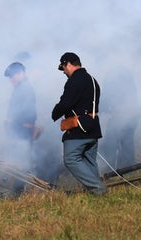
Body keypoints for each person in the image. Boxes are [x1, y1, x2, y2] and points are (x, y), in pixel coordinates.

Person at [51, 52, 107, 195]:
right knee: (89, 162)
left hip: (79, 128)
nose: (63, 71)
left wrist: (53, 114)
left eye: (63, 67)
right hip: (93, 127)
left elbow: (65, 104)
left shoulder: (75, 80)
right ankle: (95, 194)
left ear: (68, 64)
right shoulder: (92, 80)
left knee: (70, 159)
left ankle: (98, 189)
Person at [99, 65, 141, 169]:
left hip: (118, 118)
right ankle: (127, 171)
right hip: (130, 118)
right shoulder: (129, 82)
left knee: (110, 146)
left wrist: (102, 110)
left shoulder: (112, 81)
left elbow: (105, 98)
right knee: (127, 147)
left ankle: (109, 172)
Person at [3, 62, 41, 171]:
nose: (10, 79)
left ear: (20, 73)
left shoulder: (25, 88)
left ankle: (20, 187)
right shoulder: (21, 88)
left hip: (22, 131)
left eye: (12, 76)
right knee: (19, 162)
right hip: (19, 130)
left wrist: (12, 124)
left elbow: (27, 112)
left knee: (20, 164)